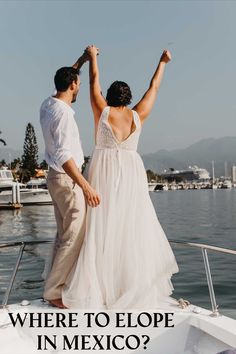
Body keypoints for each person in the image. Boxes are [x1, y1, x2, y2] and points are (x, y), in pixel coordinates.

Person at [62, 46, 179, 309]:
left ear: (110, 96)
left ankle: (101, 289)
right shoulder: (138, 116)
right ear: (129, 98)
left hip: (103, 172)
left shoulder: (101, 111)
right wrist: (162, 62)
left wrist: (93, 58)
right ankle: (127, 287)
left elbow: (93, 83)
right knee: (129, 229)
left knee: (100, 229)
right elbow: (154, 88)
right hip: (131, 175)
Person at [40, 52, 100, 309]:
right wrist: (86, 186)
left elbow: (65, 76)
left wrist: (81, 61)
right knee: (74, 235)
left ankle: (56, 285)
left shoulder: (48, 104)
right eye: (76, 83)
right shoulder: (63, 114)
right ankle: (54, 290)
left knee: (64, 234)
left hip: (55, 180)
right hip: (67, 178)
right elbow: (65, 155)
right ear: (74, 84)